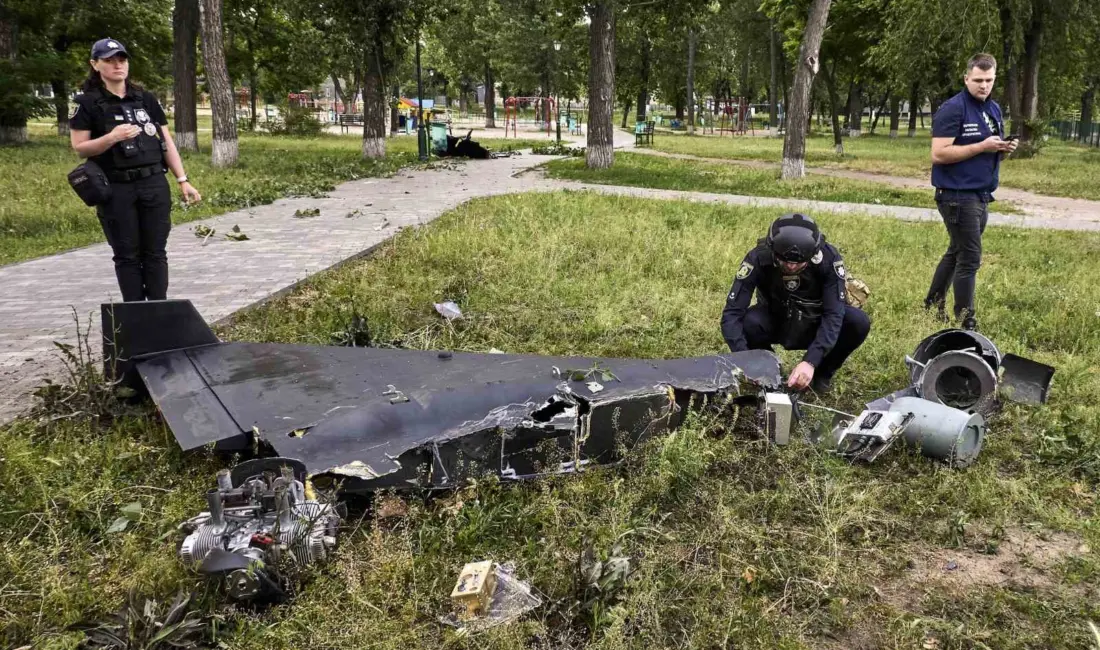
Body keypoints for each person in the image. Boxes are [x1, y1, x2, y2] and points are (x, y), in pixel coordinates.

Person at [69, 38, 201, 302]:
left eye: (122, 59)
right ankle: (135, 316)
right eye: (109, 60)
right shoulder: (87, 103)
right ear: (95, 65)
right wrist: (112, 137)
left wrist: (183, 180)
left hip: (153, 183)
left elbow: (166, 142)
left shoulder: (145, 99)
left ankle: (158, 311)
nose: (117, 65)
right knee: (127, 254)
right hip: (116, 188)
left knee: (155, 252)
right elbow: (80, 148)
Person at [721, 214, 870, 394]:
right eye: (785, 261)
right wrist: (745, 359)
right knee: (749, 322)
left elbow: (834, 314)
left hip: (815, 320)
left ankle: (821, 374)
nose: (791, 267)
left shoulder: (828, 259)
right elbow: (732, 314)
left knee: (858, 321)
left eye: (799, 263)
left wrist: (810, 361)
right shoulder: (758, 258)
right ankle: (768, 374)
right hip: (777, 318)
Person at [925, 52, 1018, 330]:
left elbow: (990, 153)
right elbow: (939, 154)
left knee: (957, 252)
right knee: (970, 258)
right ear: (966, 78)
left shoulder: (993, 109)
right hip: (956, 195)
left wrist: (1003, 150)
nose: (984, 85)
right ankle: (967, 321)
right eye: (978, 80)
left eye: (989, 80)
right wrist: (982, 146)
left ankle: (932, 304)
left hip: (980, 194)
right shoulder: (954, 108)